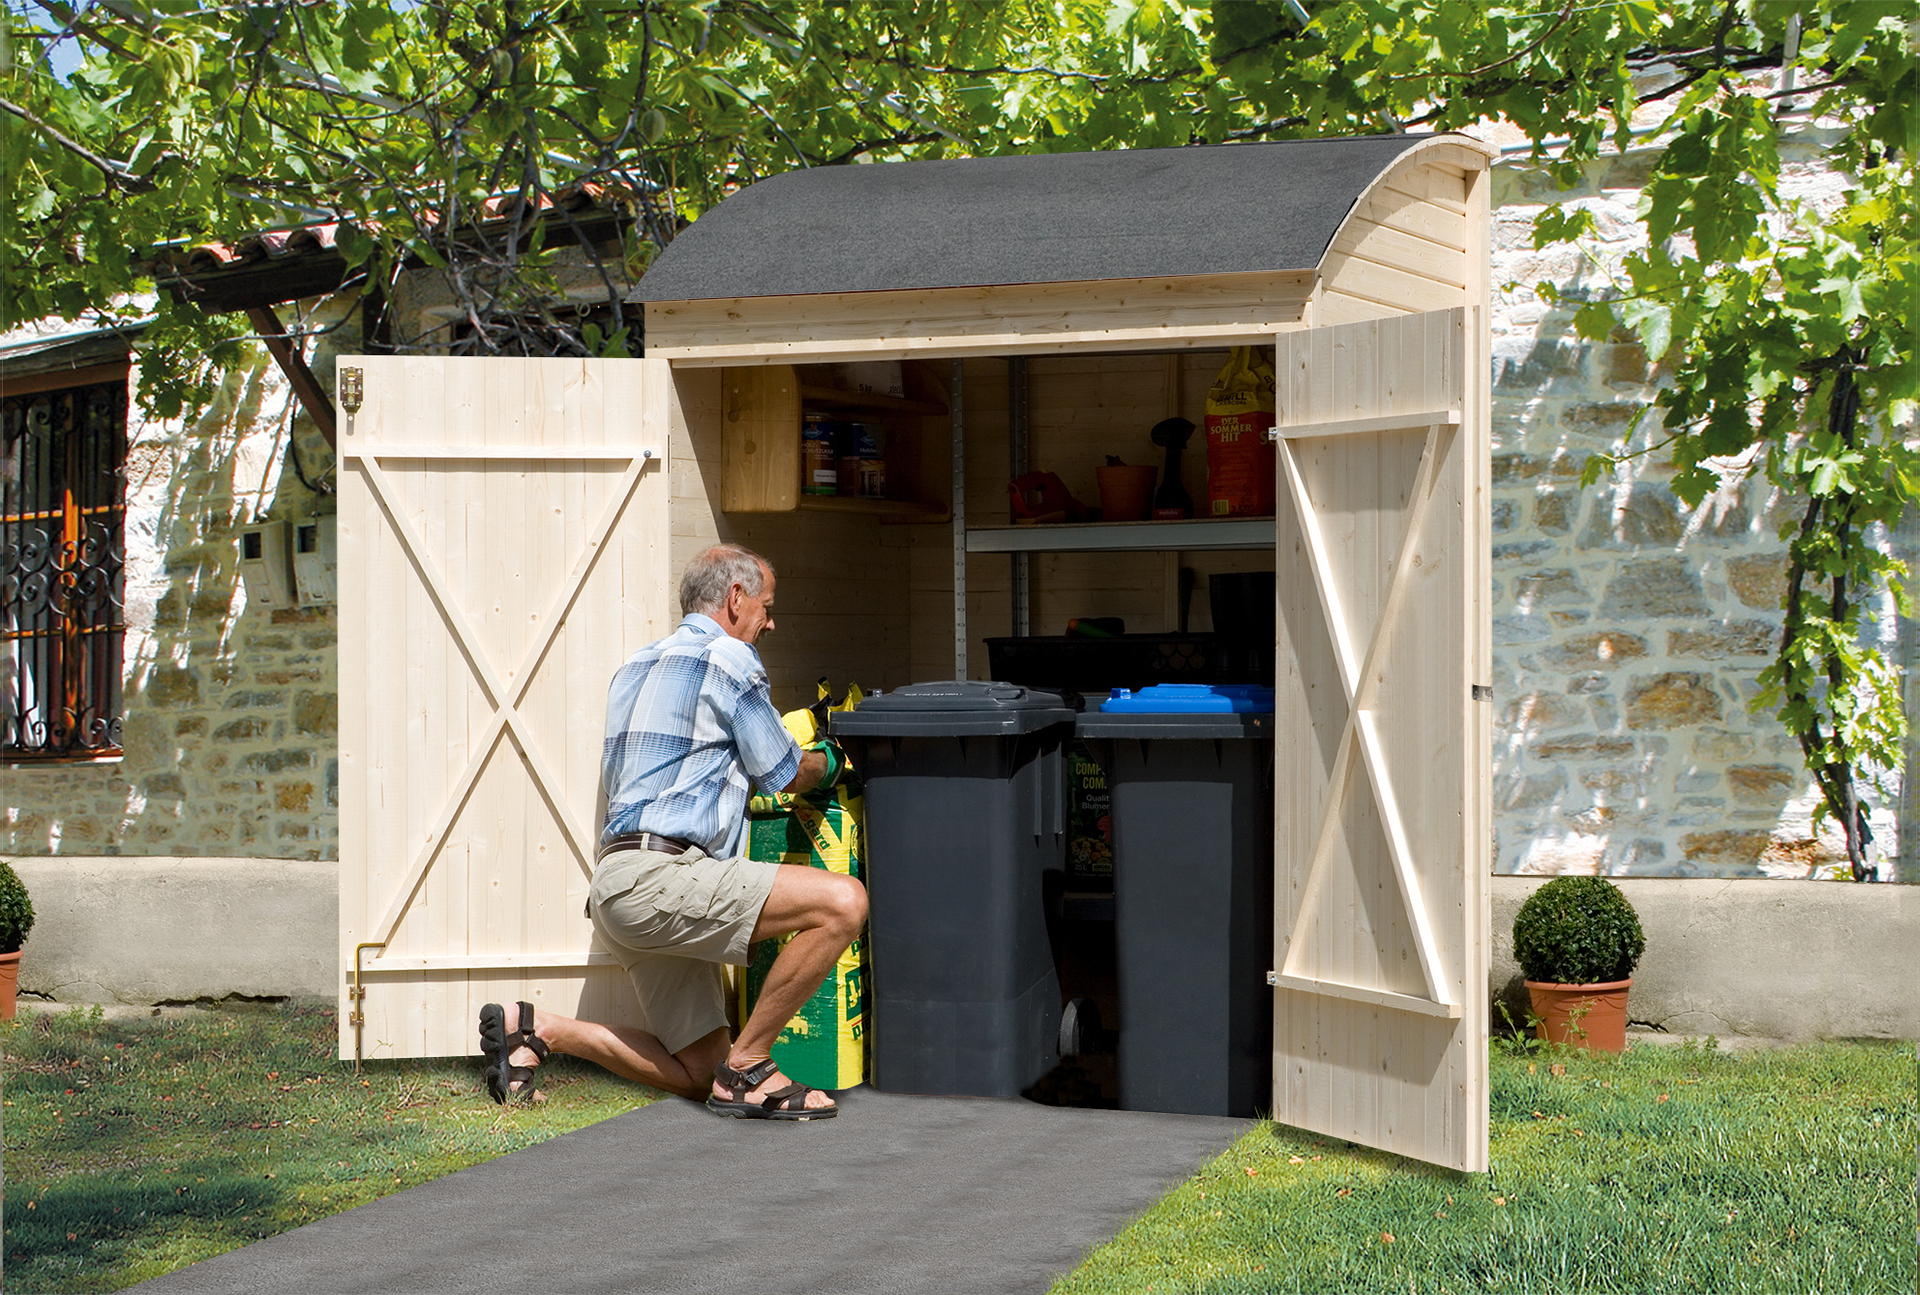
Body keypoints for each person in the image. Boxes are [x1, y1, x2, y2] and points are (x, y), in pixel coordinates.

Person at [477, 544, 867, 1119]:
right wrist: (836, 762)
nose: (771, 621)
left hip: (617, 887)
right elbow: (785, 771)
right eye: (767, 605)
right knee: (843, 903)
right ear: (735, 599)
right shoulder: (731, 659)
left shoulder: (632, 668)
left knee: (696, 1077)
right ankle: (751, 1065)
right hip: (669, 877)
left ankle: (536, 1029)